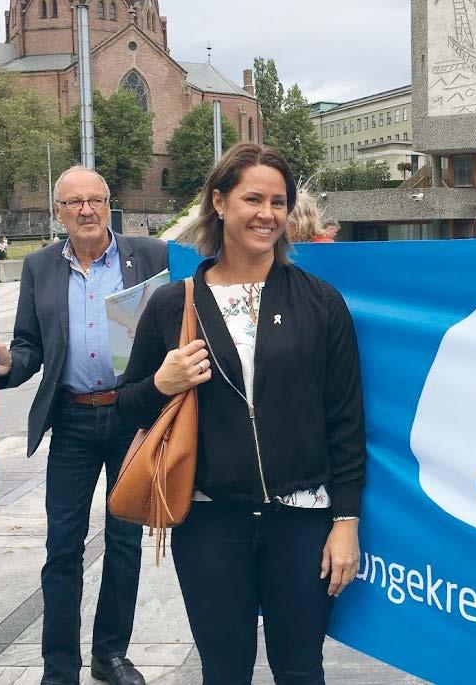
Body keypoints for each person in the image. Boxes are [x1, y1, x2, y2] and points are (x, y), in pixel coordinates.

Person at [117, 143, 366, 685]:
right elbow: (125, 405)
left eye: (278, 201)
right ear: (219, 202)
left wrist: (345, 521)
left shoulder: (321, 302)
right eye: (252, 198)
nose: (266, 214)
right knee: (225, 672)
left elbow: (346, 422)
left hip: (302, 519)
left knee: (301, 671)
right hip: (209, 520)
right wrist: (162, 383)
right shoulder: (171, 304)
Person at [0, 166, 168, 685]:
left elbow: (172, 328)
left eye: (96, 200)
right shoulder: (41, 267)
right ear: (58, 212)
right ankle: (58, 666)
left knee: (125, 541)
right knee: (62, 546)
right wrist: (7, 366)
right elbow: (29, 347)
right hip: (70, 418)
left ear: (110, 205)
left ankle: (110, 656)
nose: (87, 210)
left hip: (132, 416)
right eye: (74, 203)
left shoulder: (149, 257)